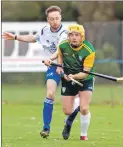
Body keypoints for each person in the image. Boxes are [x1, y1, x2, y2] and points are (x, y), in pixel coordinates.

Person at [2, 6, 80, 139]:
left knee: (72, 103)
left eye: (57, 18)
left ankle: (70, 118)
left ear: (60, 18)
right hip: (53, 68)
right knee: (50, 93)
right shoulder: (44, 31)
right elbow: (33, 38)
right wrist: (15, 37)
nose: (54, 21)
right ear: (47, 20)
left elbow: (59, 51)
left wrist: (50, 58)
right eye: (51, 19)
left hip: (68, 67)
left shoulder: (66, 33)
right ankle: (46, 128)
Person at [56, 24, 95, 140]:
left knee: (84, 108)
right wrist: (59, 67)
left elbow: (85, 73)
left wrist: (74, 76)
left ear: (82, 36)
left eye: (77, 35)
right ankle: (68, 121)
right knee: (67, 111)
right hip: (67, 79)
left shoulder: (89, 50)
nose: (74, 37)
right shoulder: (63, 45)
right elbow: (60, 57)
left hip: (85, 79)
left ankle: (83, 135)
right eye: (71, 35)